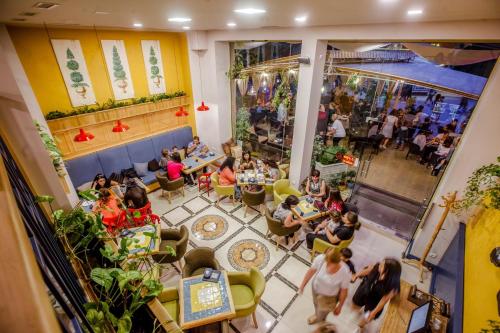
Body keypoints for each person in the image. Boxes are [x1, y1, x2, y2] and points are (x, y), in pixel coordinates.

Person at [298, 249, 350, 325]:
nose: (327, 265)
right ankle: (317, 315)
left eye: (330, 263)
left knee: (322, 312)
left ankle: (321, 320)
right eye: (327, 262)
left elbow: (344, 291)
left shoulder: (344, 271)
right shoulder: (321, 259)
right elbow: (311, 271)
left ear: (338, 261)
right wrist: (302, 286)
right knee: (316, 304)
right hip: (316, 289)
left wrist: (340, 306)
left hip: (329, 297)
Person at [351, 258, 402, 328]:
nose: (379, 265)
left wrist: (373, 312)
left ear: (388, 271)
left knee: (367, 318)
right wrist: (356, 275)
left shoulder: (393, 286)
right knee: (354, 305)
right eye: (381, 263)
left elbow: (384, 299)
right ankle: (359, 311)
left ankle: (361, 326)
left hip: (375, 301)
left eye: (382, 265)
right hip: (365, 288)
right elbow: (368, 270)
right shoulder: (377, 267)